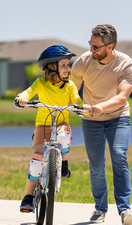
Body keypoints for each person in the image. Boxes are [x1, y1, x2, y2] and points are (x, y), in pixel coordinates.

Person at [71, 24, 132, 225]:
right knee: (96, 164)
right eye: (90, 45)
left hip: (118, 117)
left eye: (96, 47)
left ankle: (124, 210)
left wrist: (100, 106)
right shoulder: (83, 61)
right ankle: (100, 208)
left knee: (118, 155)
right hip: (91, 120)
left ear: (110, 47)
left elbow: (122, 97)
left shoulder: (127, 64)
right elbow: (71, 89)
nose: (91, 50)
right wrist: (74, 106)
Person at [15, 45, 85, 212]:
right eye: (64, 65)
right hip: (43, 125)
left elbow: (76, 100)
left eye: (68, 64)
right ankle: (28, 196)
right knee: (36, 159)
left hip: (61, 123)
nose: (68, 69)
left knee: (63, 137)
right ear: (52, 67)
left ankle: (64, 163)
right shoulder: (40, 83)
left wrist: (81, 107)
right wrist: (21, 99)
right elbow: (28, 92)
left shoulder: (70, 85)